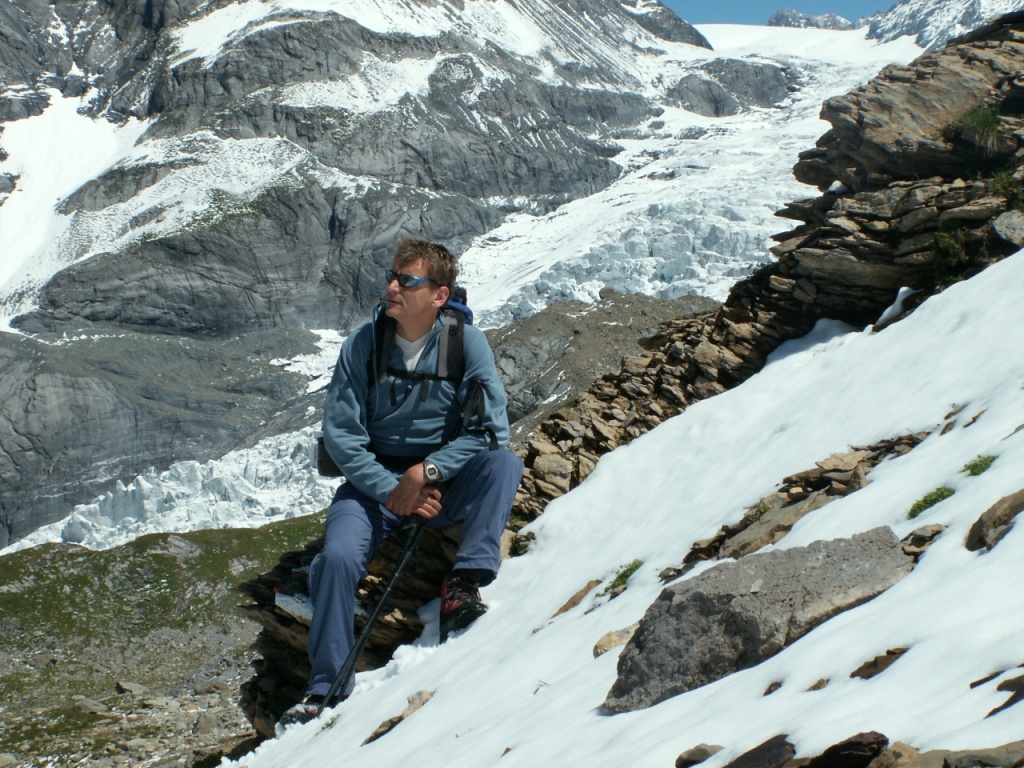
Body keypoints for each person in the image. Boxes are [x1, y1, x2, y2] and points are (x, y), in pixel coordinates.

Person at [280, 237, 523, 726]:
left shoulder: (465, 343)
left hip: (440, 479)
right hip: (375, 485)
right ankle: (326, 686)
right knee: (336, 560)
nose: (391, 287)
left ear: (439, 295)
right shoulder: (364, 344)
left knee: (503, 465)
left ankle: (464, 583)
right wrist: (393, 488)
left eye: (406, 281)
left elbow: (490, 431)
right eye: (393, 277)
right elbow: (342, 437)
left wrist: (427, 473)